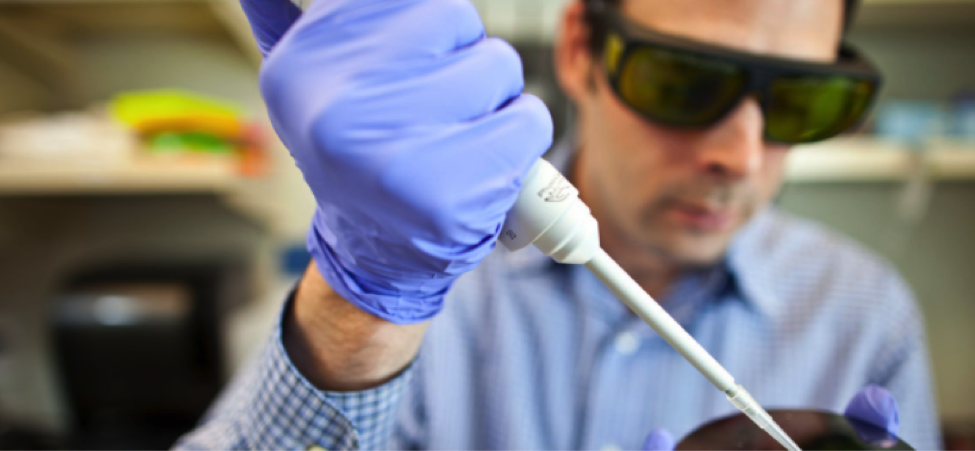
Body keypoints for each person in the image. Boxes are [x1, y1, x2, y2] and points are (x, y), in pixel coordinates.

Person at [177, 0, 942, 449]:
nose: (739, 156)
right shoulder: (423, 276)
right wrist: (367, 303)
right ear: (580, 49)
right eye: (686, 82)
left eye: (803, 100)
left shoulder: (860, 314)